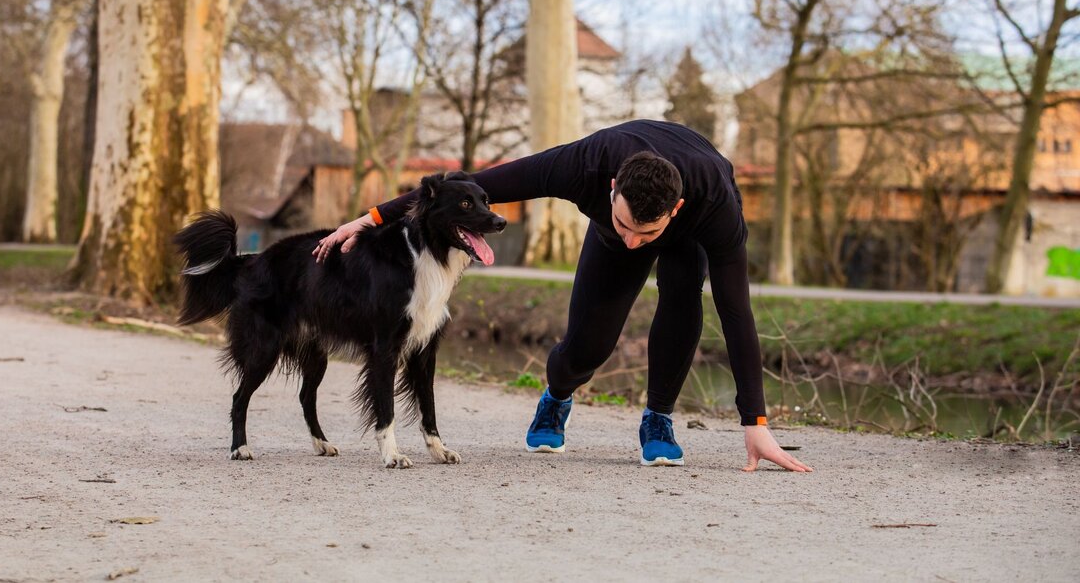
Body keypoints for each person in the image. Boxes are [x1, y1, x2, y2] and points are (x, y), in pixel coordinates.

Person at [313, 119, 812, 472]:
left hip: (694, 221)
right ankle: (557, 397)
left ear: (675, 208)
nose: (634, 241)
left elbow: (736, 311)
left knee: (684, 299)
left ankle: (658, 420)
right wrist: (372, 217)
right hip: (616, 203)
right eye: (625, 224)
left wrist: (756, 421)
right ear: (612, 188)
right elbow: (467, 185)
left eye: (646, 233)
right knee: (588, 345)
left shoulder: (715, 206)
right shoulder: (585, 164)